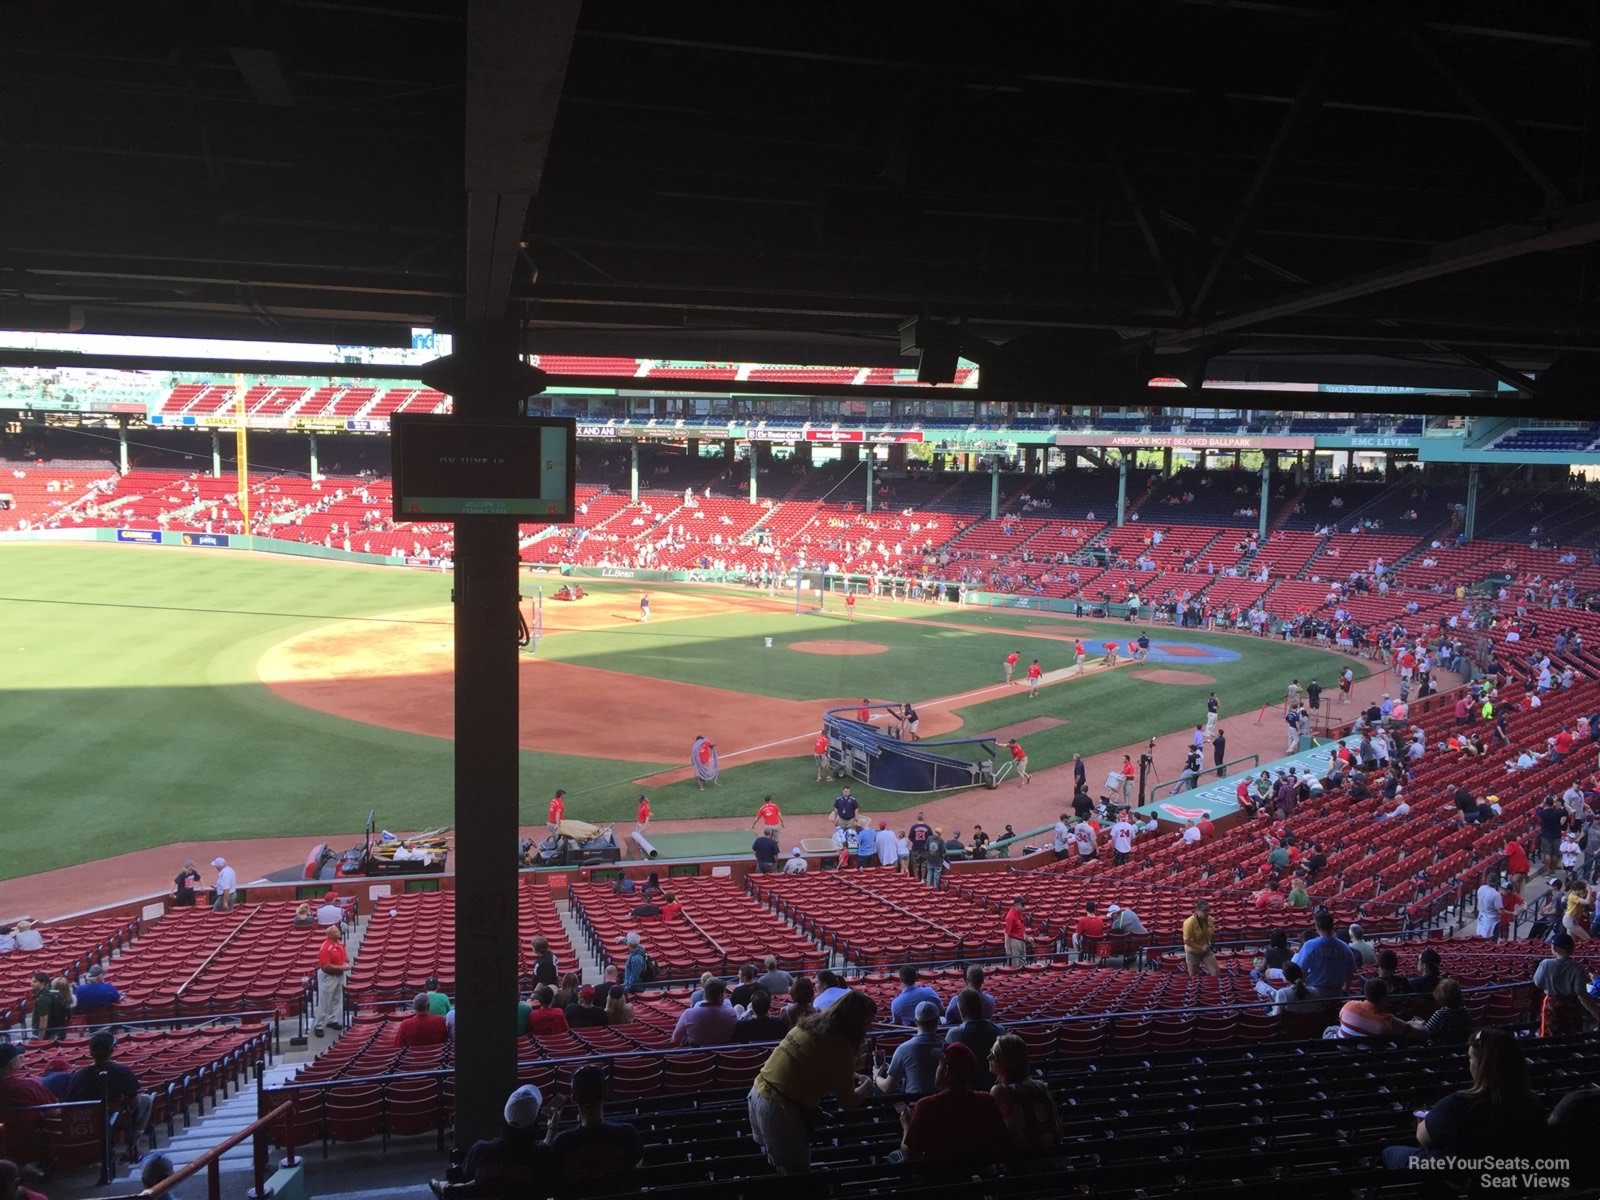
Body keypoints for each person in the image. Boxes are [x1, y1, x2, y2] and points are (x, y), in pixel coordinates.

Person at [746, 990, 878, 1174]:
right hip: (780, 1110)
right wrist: (869, 1084)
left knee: (783, 1169)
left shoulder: (808, 1025)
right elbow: (848, 1102)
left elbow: (811, 1063)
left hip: (759, 1093)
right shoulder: (840, 1047)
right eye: (868, 1023)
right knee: (798, 1177)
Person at [1381, 1027, 1546, 1172]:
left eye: (1470, 1058)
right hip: (1507, 1180)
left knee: (1388, 1152)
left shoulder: (1458, 1104)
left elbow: (1423, 1137)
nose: (1469, 1063)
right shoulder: (1533, 1104)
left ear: (1481, 1065)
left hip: (1454, 1177)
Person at [896, 1042, 1008, 1164]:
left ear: (946, 1070)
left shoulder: (926, 1106)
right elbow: (1001, 1144)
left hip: (939, 1179)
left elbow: (910, 1154)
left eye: (940, 1065)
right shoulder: (987, 1101)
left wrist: (906, 1125)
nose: (938, 1069)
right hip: (980, 1174)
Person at [543, 1064, 643, 1191]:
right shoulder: (628, 1134)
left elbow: (548, 1171)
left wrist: (551, 1130)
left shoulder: (562, 1142)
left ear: (573, 1099)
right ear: (605, 1092)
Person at [66, 1031, 152, 1158]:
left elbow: (69, 1103)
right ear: (111, 1050)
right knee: (146, 1100)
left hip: (84, 1124)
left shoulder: (78, 1076)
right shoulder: (122, 1071)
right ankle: (131, 1146)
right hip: (114, 1121)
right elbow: (134, 1101)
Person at [463, 1084, 550, 1183]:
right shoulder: (543, 1155)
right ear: (535, 1122)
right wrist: (552, 1129)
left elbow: (463, 1180)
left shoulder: (480, 1151)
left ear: (505, 1117)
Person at [988, 1033, 1061, 1150]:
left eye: (993, 1054)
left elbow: (992, 1134)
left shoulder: (1000, 1091)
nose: (989, 1057)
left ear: (1007, 1061)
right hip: (1052, 1159)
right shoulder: (1042, 1087)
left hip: (1023, 1163)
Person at [0, 1044, 58, 1168]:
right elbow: (56, 1111)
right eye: (19, 1058)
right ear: (12, 1064)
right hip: (27, 1148)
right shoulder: (28, 1086)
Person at [1533, 932, 1600, 1034]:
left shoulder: (1545, 964)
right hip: (1572, 1005)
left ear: (1555, 949)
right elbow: (1580, 992)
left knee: (1552, 1037)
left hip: (1552, 1004)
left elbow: (1538, 983)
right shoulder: (1577, 968)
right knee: (1572, 1037)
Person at [875, 1001, 945, 1096]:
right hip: (945, 1105)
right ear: (937, 1021)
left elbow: (888, 1088)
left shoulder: (903, 1049)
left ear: (916, 1021)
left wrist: (876, 1076)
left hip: (915, 1106)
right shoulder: (947, 1046)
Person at [1293, 909, 1358, 1004]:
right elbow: (1350, 973)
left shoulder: (1310, 945)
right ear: (1332, 926)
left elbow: (1300, 972)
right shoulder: (1345, 947)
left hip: (1314, 995)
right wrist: (1346, 990)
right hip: (1336, 995)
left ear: (1317, 926)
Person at [945, 988, 1003, 1089]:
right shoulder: (1000, 1031)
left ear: (962, 1012)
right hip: (994, 1086)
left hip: (967, 1090)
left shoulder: (954, 1034)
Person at [1337, 977, 1424, 1039]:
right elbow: (1419, 1032)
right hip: (1365, 1055)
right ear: (1384, 998)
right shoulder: (1386, 1021)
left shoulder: (1348, 1005)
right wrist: (1415, 1023)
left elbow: (1341, 1020)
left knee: (1331, 1029)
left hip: (1340, 1047)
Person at [672, 978, 738, 1046]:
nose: (725, 996)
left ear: (705, 994)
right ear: (720, 995)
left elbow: (675, 1039)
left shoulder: (688, 1014)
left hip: (696, 1055)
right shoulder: (731, 1013)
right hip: (725, 1054)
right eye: (724, 994)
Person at [312, 925, 347, 1037]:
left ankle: (332, 1020)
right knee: (324, 1001)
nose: (339, 932)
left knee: (335, 999)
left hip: (338, 975)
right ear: (331, 934)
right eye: (337, 932)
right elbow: (326, 966)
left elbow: (345, 958)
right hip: (328, 976)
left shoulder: (339, 944)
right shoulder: (325, 947)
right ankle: (319, 1025)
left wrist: (346, 963)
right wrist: (342, 967)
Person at [1423, 978, 1473, 1042]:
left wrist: (1420, 1023)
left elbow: (1426, 1032)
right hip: (1460, 1045)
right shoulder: (1467, 1011)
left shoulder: (1440, 1014)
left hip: (1442, 1047)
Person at [1182, 899, 1218, 977]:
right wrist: (1201, 947)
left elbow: (1212, 932)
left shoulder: (1210, 920)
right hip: (1193, 952)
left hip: (1206, 950)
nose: (1207, 913)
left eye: (1208, 910)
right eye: (1205, 911)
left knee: (1216, 974)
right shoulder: (1189, 922)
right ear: (1197, 911)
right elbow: (1186, 940)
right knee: (1194, 976)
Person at [28, 973, 67, 1040]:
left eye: (35, 981)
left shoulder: (43, 998)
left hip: (46, 1034)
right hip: (54, 1030)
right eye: (31, 981)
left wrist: (40, 1040)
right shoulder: (51, 993)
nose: (31, 983)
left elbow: (43, 1020)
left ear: (43, 983)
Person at [1003, 895, 1029, 966]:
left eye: (1025, 904)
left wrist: (1026, 937)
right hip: (1015, 942)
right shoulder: (1011, 916)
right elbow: (1007, 933)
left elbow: (1020, 928)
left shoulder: (1019, 912)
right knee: (1015, 965)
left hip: (1022, 940)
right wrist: (1007, 948)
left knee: (1023, 963)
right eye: (1023, 904)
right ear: (1016, 905)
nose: (1024, 906)